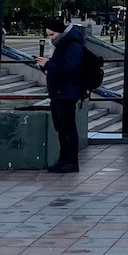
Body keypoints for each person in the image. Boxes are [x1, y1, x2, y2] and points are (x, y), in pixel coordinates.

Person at [36, 17, 85, 174]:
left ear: (59, 32)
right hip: (59, 92)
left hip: (66, 93)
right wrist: (46, 66)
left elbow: (68, 69)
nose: (50, 38)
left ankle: (71, 161)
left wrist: (49, 64)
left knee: (68, 128)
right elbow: (60, 68)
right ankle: (63, 160)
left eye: (51, 35)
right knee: (62, 129)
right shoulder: (63, 45)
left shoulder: (71, 46)